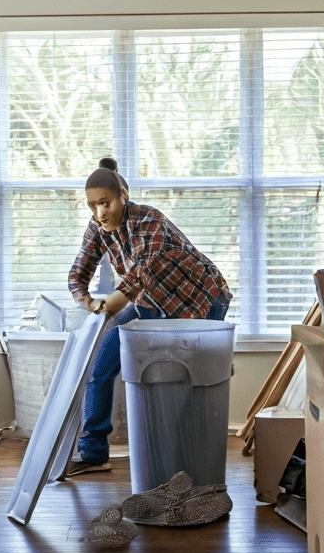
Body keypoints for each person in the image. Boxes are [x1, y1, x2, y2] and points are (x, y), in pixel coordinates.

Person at [66, 156, 232, 476]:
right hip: (151, 303)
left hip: (200, 299)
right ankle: (94, 452)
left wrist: (113, 300)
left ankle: (189, 454)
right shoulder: (98, 228)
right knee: (101, 368)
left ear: (123, 196)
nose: (99, 213)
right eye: (92, 206)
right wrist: (87, 301)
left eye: (106, 203)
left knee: (190, 380)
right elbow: (77, 273)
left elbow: (143, 271)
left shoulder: (150, 220)